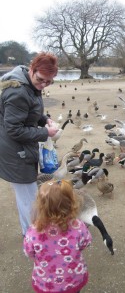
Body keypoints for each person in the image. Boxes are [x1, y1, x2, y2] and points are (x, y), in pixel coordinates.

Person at [0, 52, 59, 236]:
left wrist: (44, 119)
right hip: (15, 152)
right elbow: (14, 130)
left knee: (26, 197)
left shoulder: (29, 84)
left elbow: (29, 111)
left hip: (22, 149)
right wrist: (45, 133)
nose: (43, 85)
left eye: (49, 82)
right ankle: (34, 239)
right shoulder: (17, 91)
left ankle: (30, 234)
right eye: (41, 80)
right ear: (32, 69)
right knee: (30, 200)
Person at [23, 179, 92, 293]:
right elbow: (86, 243)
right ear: (71, 203)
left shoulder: (33, 231)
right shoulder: (78, 226)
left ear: (40, 205)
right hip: (73, 279)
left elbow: (28, 252)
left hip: (46, 282)